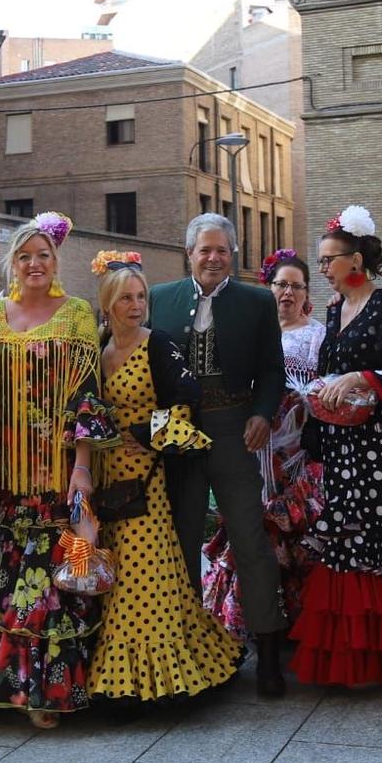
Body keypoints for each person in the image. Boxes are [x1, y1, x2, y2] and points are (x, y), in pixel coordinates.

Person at [0, 213, 114, 727]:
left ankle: (57, 692)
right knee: (15, 577)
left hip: (59, 476)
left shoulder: (76, 314)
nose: (35, 264)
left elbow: (87, 397)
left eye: (44, 256)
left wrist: (82, 467)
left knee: (62, 577)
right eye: (25, 256)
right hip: (8, 475)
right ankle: (19, 689)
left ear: (56, 261)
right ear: (14, 263)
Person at [146, 213, 291, 696]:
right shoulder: (160, 299)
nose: (213, 258)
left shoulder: (254, 302)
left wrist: (262, 413)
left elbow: (272, 369)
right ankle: (189, 656)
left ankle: (268, 653)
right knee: (181, 539)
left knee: (250, 540)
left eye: (221, 250)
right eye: (204, 250)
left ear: (233, 254)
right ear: (188, 253)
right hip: (178, 437)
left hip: (234, 430)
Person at [89, 254, 242, 708]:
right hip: (107, 477)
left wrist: (143, 435)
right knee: (116, 573)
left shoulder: (160, 344)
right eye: (125, 299)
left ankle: (148, 685)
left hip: (147, 478)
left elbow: (187, 398)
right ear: (108, 305)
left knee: (144, 575)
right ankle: (126, 678)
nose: (136, 306)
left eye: (140, 297)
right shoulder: (99, 348)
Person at [290, 205, 382, 688]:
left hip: (379, 447)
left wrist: (358, 376)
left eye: (330, 260)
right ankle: (347, 660)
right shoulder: (332, 309)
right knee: (343, 536)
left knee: (376, 536)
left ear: (356, 259)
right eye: (322, 260)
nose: (323, 268)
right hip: (341, 442)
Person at [203, 250, 324, 640]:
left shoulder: (317, 335)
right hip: (251, 450)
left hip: (295, 456)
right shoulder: (250, 331)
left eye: (296, 286)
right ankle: (254, 618)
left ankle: (300, 625)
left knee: (294, 532)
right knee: (250, 531)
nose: (287, 293)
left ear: (306, 293)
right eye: (280, 284)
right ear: (267, 288)